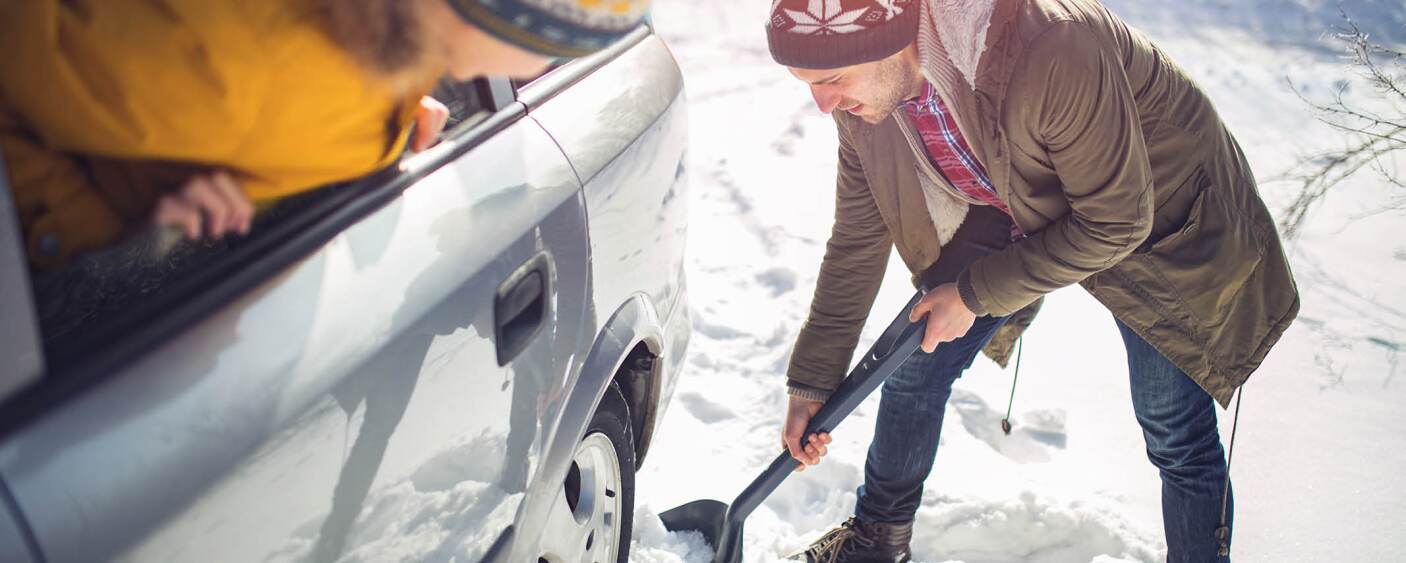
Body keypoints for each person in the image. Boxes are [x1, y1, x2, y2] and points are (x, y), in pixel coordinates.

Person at [765, 0, 1300, 561]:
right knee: (913, 363)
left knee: (1173, 430)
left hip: (1160, 220)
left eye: (831, 80)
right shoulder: (864, 106)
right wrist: (812, 384)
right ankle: (877, 543)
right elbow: (855, 242)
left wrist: (974, 294)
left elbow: (1117, 221)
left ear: (890, 42)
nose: (822, 103)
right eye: (807, 84)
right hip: (1017, 196)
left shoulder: (1052, 49)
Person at [0, 0, 650, 272]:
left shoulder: (396, 38)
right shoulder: (228, 68)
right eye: (556, 46)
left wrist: (390, 119)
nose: (548, 68)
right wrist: (104, 244)